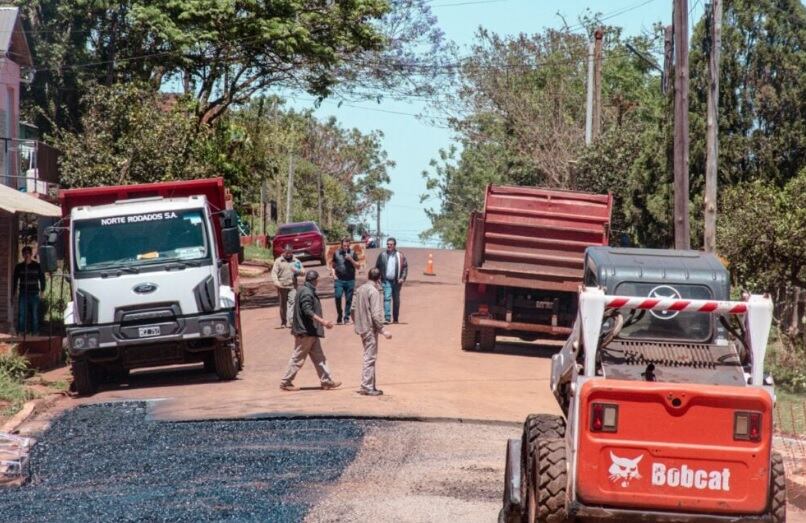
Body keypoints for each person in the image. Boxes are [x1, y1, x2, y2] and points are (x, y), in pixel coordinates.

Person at [279, 271, 342, 391]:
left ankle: (327, 381)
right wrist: (322, 322)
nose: (318, 282)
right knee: (297, 358)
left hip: (311, 331)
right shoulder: (307, 292)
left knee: (319, 358)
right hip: (305, 332)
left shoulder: (304, 289)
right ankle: (285, 382)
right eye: (317, 280)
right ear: (314, 280)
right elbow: (307, 311)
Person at [352, 268, 392, 396]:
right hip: (370, 328)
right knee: (370, 357)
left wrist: (357, 322)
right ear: (379, 278)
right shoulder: (373, 291)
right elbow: (375, 314)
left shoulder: (360, 289)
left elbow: (352, 308)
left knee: (369, 356)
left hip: (362, 327)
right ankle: (367, 386)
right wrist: (383, 330)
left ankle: (370, 385)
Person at [13, 246, 46, 335]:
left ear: (31, 254)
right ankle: (22, 332)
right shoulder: (19, 267)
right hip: (23, 293)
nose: (26, 255)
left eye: (28, 253)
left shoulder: (37, 266)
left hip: (34, 293)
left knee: (35, 315)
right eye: (25, 254)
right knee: (22, 314)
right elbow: (15, 280)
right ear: (23, 255)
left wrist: (42, 291)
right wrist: (14, 293)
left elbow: (42, 279)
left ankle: (35, 332)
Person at [374, 237, 408, 324]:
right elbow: (377, 267)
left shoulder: (400, 255)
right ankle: (387, 318)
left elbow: (404, 267)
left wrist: (402, 278)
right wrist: (377, 278)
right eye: (388, 244)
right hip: (386, 281)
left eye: (391, 244)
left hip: (396, 281)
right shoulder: (382, 255)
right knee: (387, 298)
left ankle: (395, 318)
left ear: (394, 245)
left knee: (396, 300)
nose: (389, 246)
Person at [271, 244, 304, 328]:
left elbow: (303, 271)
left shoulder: (296, 261)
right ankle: (283, 322)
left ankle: (292, 321)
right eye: (287, 253)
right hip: (281, 286)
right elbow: (274, 273)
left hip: (292, 286)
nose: (289, 254)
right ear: (284, 252)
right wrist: (276, 282)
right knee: (283, 305)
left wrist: (299, 271)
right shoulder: (278, 261)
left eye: (290, 253)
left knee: (292, 303)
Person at [329, 238, 359, 324]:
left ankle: (346, 318)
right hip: (339, 280)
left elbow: (358, 266)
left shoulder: (353, 253)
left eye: (348, 245)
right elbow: (333, 265)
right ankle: (339, 314)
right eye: (344, 245)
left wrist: (351, 259)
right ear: (341, 245)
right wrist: (334, 275)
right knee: (338, 296)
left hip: (350, 280)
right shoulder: (336, 253)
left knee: (348, 299)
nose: (346, 247)